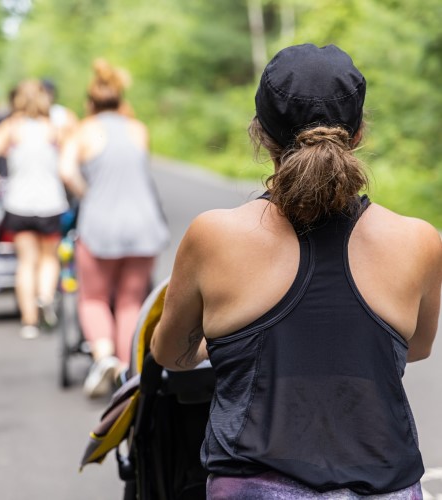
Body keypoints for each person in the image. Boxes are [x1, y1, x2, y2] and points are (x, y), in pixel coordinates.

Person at [150, 44, 442, 499]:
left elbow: (170, 354)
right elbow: (416, 347)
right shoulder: (419, 239)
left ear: (261, 134)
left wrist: (222, 344)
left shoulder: (213, 236)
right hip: (385, 484)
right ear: (359, 132)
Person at [59, 58, 170, 398]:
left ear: (90, 101)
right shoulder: (138, 129)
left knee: (92, 297)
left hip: (101, 224)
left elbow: (65, 171)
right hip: (143, 225)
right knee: (129, 301)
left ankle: (103, 355)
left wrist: (86, 193)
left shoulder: (83, 130)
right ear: (120, 99)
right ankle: (126, 370)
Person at [0, 79, 69, 339]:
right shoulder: (53, 128)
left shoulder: (10, 127)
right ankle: (45, 296)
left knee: (25, 263)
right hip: (51, 202)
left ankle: (29, 322)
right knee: (49, 259)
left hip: (18, 203)